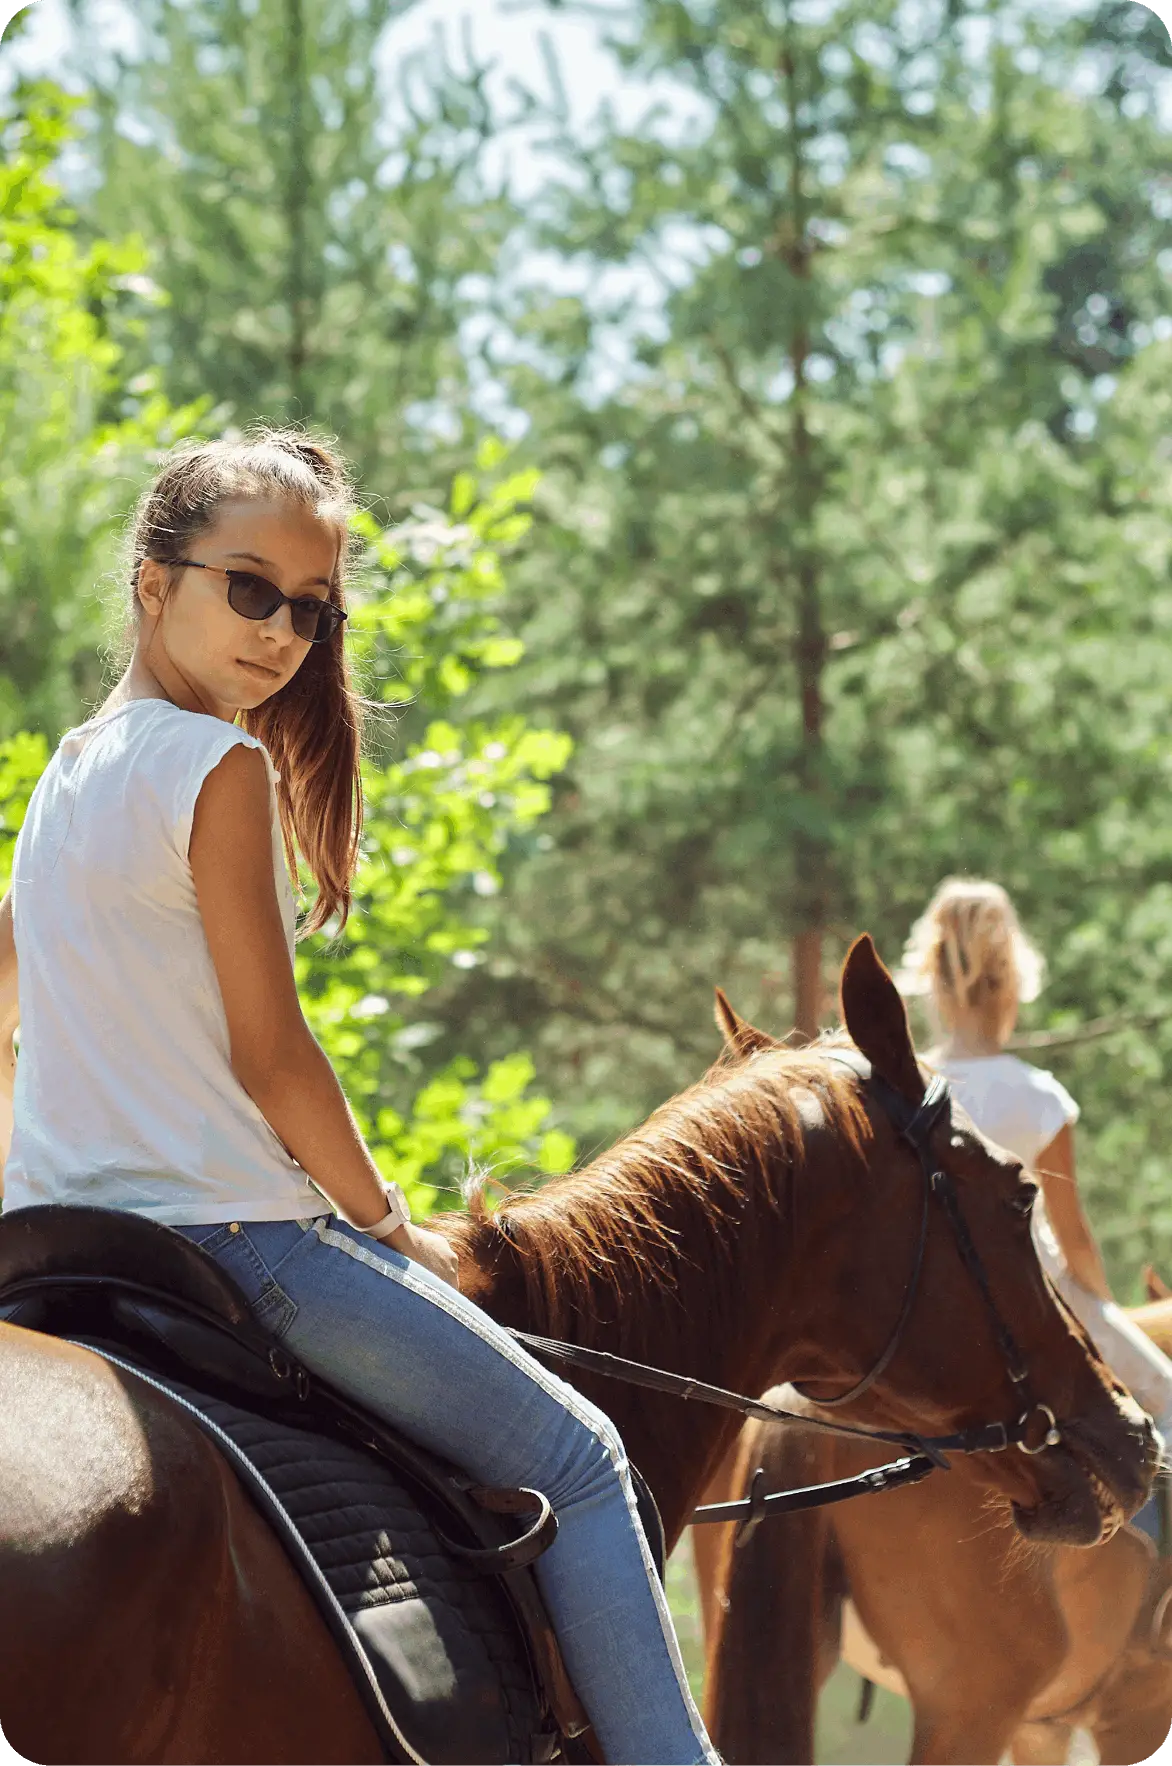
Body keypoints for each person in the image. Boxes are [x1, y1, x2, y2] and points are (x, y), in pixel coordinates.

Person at [0, 426, 719, 1766]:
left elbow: (5, 1000)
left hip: (54, 1244)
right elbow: (275, 1054)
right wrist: (390, 1225)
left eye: (311, 609)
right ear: (154, 582)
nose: (281, 632)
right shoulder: (218, 768)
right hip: (234, 1241)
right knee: (579, 1459)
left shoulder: (66, 770)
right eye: (249, 589)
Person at [895, 876, 1172, 1469]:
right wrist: (1106, 1312)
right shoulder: (1038, 1097)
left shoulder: (903, 1087)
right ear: (1011, 984)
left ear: (933, 981)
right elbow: (1073, 1243)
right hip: (1038, 1299)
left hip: (923, 1304)